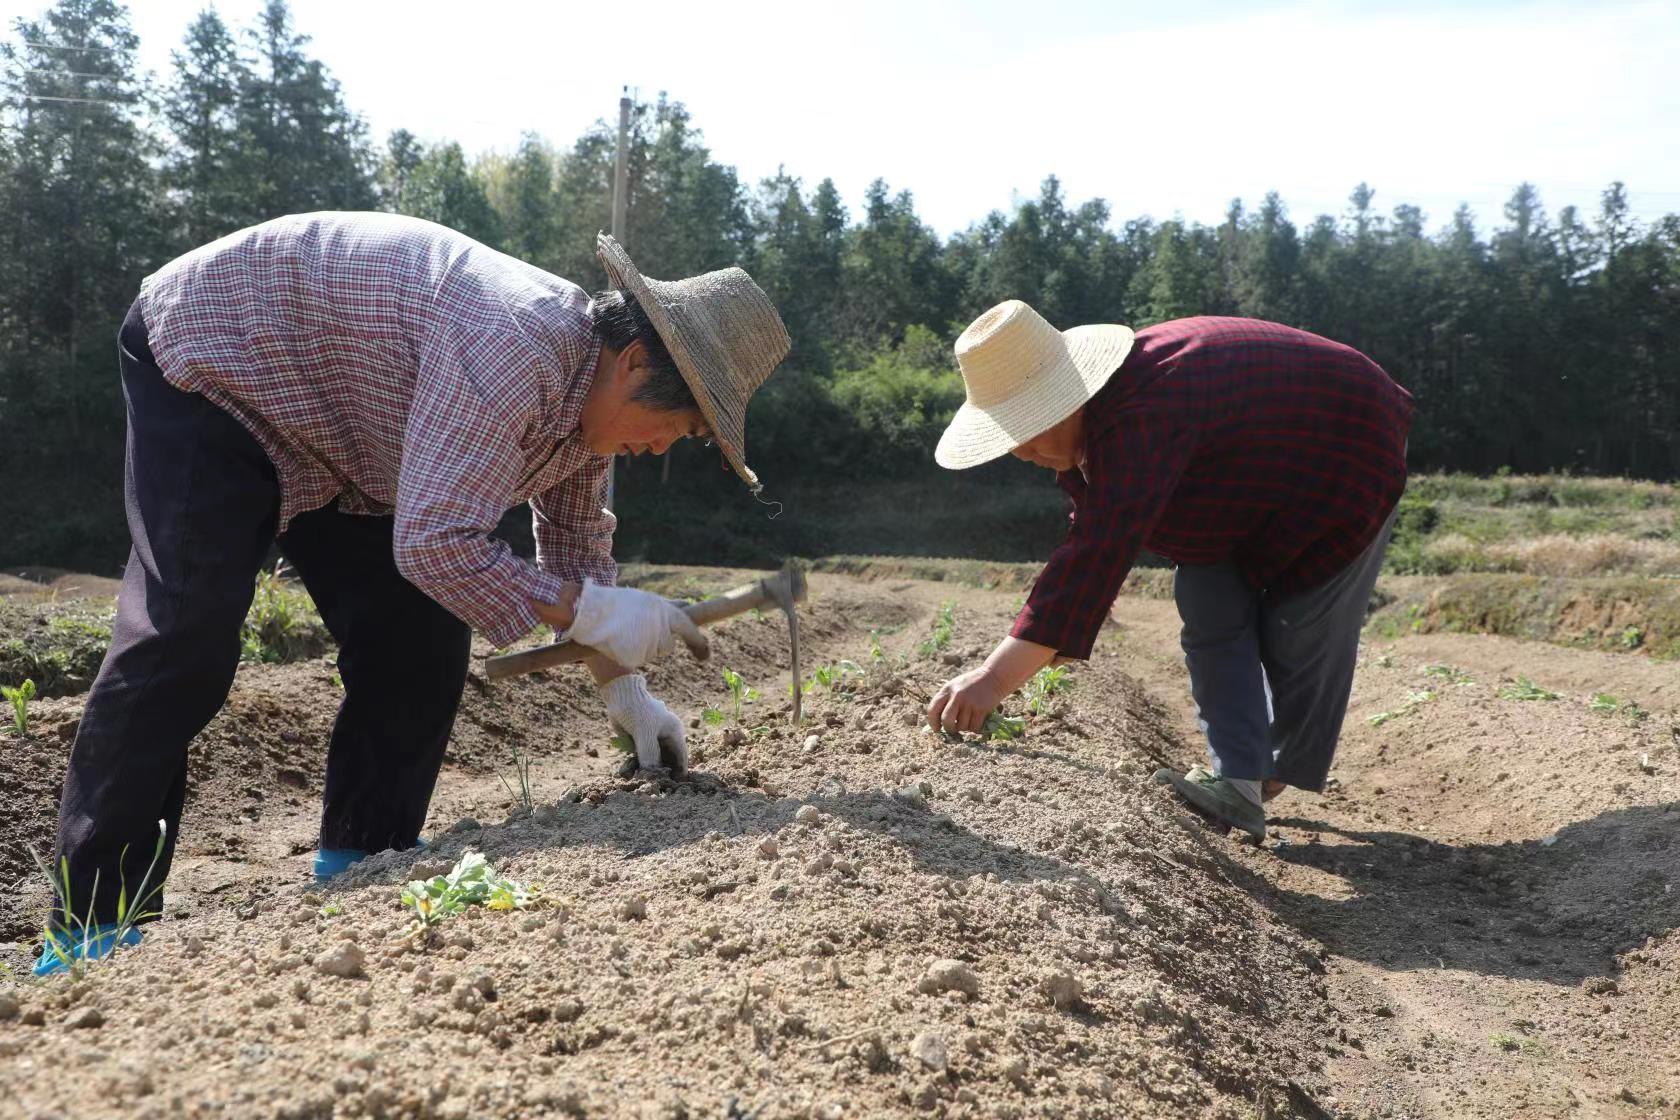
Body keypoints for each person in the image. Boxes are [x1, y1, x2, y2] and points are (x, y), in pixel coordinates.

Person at [40, 213, 790, 974]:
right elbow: (436, 544)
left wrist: (623, 689)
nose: (661, 447)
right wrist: (593, 613)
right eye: (674, 424)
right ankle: (90, 927)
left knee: (419, 637)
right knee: (185, 634)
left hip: (352, 428)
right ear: (633, 362)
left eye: (686, 438)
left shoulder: (589, 415)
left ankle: (363, 863)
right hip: (224, 359)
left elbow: (575, 545)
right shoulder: (514, 346)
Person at [925, 301, 1413, 842]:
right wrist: (1042, 642)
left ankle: (1269, 767)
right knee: (1207, 600)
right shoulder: (1094, 429)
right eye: (1010, 432)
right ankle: (1240, 781)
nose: (1019, 450)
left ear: (1070, 396)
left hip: (1350, 444)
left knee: (1299, 628)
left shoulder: (1144, 409)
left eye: (1027, 424)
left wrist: (994, 678)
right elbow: (1093, 534)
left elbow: (1098, 551)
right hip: (1238, 483)